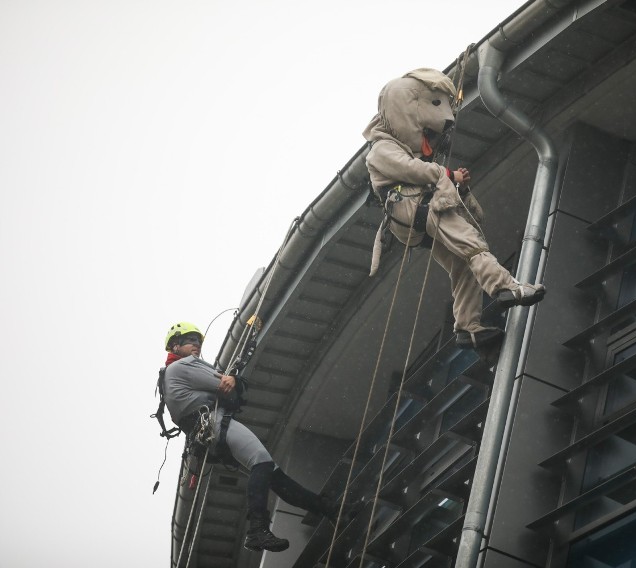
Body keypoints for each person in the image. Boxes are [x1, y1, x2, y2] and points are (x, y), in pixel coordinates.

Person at [363, 68, 546, 350]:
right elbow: (412, 170)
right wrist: (446, 175)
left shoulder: (403, 149)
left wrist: (457, 186)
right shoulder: (381, 150)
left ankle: (468, 328)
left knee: (461, 261)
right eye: (436, 104)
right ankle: (505, 287)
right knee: (471, 242)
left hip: (417, 211)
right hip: (415, 209)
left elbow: (422, 170)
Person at [162, 322, 342, 552]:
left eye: (198, 340)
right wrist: (233, 381)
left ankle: (328, 509)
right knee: (262, 461)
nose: (197, 344)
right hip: (215, 424)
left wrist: (231, 384)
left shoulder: (171, 374)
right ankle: (257, 530)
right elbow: (226, 383)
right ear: (175, 346)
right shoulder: (184, 365)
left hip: (208, 434)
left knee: (272, 474)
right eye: (190, 340)